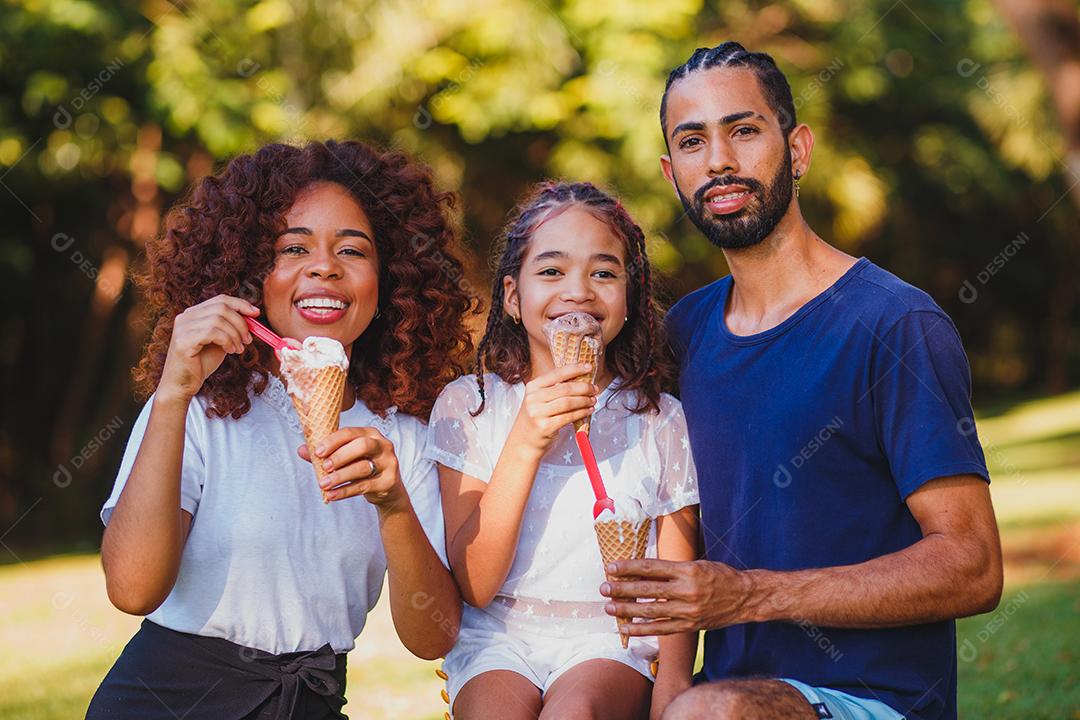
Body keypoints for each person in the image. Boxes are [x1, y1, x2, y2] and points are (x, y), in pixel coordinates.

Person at [600, 42, 1003, 720]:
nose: (720, 160)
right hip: (715, 695)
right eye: (693, 141)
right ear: (673, 175)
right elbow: (673, 531)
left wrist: (754, 594)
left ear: (799, 149)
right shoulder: (682, 335)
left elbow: (974, 565)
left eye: (744, 130)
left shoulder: (894, 323)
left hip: (877, 703)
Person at [88, 140, 473, 720]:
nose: (324, 265)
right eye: (293, 247)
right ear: (250, 275)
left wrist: (393, 504)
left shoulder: (408, 430)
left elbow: (432, 639)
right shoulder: (199, 405)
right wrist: (171, 393)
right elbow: (132, 591)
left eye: (353, 250)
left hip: (309, 703)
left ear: (389, 280)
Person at [427, 181, 700, 719]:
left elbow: (676, 574)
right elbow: (476, 587)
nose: (578, 290)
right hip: (497, 636)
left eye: (603, 272)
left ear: (630, 296)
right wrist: (526, 438)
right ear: (512, 296)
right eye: (551, 271)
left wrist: (672, 688)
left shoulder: (659, 417)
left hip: (611, 637)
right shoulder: (470, 406)